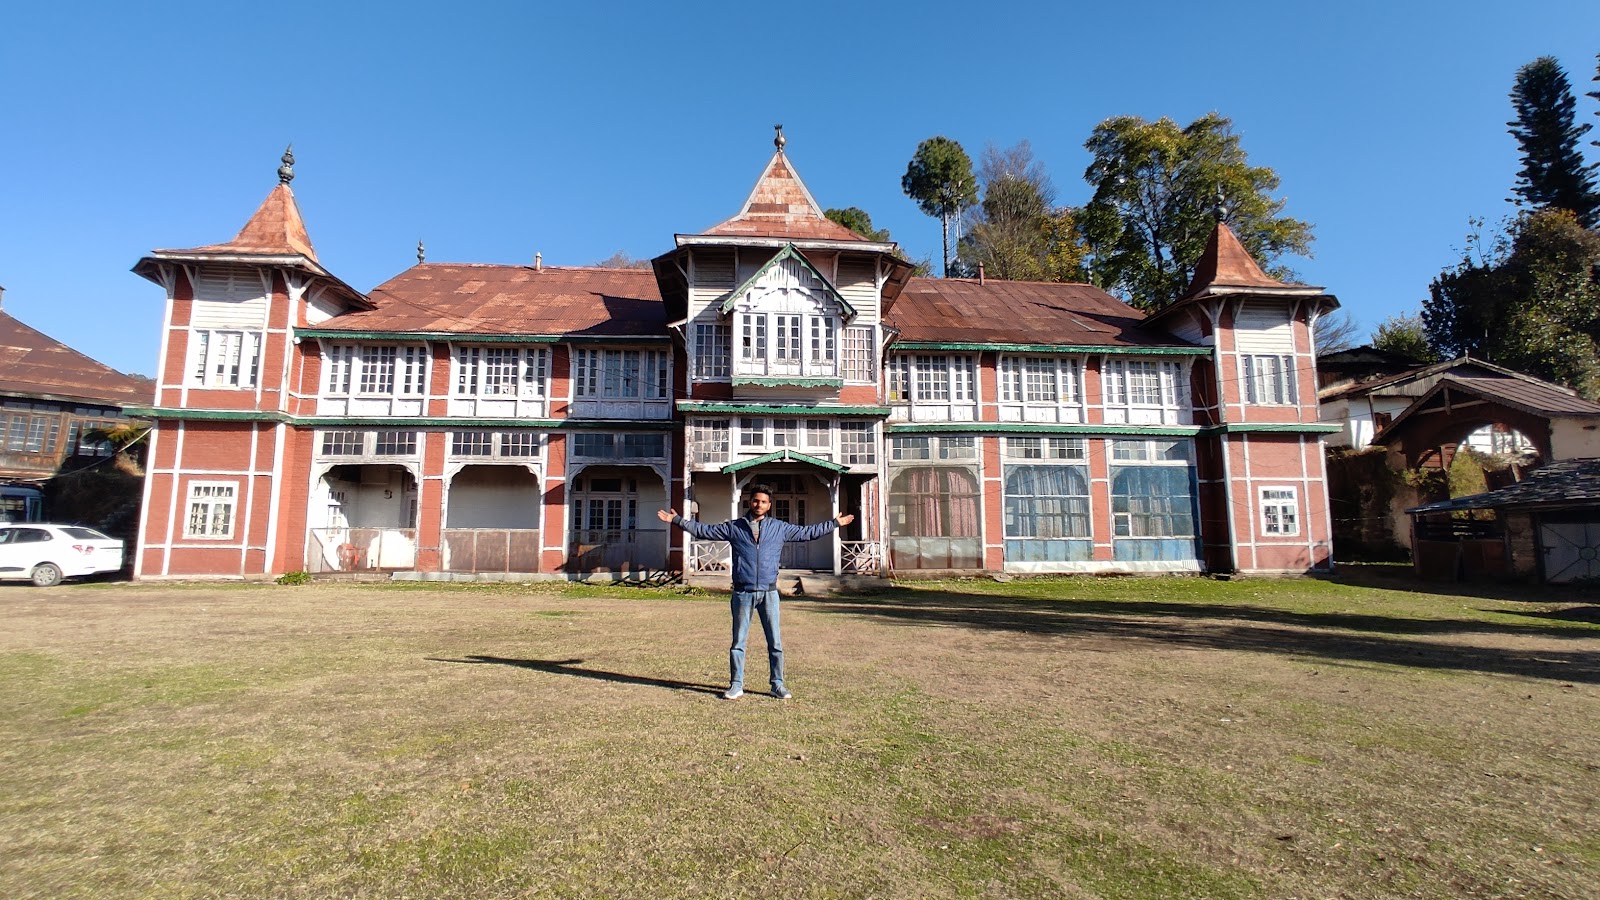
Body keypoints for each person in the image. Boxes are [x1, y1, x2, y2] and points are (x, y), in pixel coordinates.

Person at [658, 484, 854, 701]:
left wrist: (835, 523)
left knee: (775, 643)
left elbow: (807, 533)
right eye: (755, 500)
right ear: (749, 502)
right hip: (743, 593)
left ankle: (777, 684)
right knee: (738, 642)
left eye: (763, 501)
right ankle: (736, 685)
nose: (758, 504)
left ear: (769, 505)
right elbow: (704, 530)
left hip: (769, 593)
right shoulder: (735, 527)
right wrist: (677, 521)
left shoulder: (780, 528)